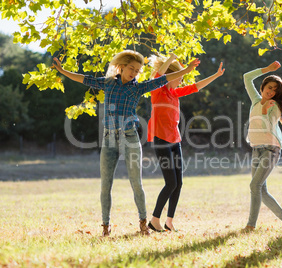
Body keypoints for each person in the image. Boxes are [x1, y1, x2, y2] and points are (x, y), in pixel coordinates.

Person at [52, 50, 200, 236]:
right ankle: (105, 225)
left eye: (137, 70)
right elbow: (83, 78)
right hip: (108, 139)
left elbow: (164, 78)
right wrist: (63, 71)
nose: (134, 73)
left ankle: (143, 223)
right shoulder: (108, 83)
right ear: (121, 67)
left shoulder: (137, 87)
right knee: (106, 185)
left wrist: (185, 70)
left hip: (130, 138)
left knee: (136, 183)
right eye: (131, 68)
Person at [146, 53, 225, 232]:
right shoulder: (158, 91)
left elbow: (196, 86)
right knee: (170, 183)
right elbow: (160, 76)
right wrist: (172, 59)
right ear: (172, 77)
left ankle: (169, 221)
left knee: (178, 183)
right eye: (179, 78)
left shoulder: (175, 93)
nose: (181, 81)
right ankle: (154, 219)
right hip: (161, 140)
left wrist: (216, 75)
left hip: (175, 141)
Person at [243, 61, 282, 231]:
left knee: (254, 186)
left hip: (271, 149)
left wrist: (265, 110)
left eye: (275, 90)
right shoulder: (256, 101)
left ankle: (251, 225)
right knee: (261, 190)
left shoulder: (275, 106)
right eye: (270, 87)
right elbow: (247, 77)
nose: (271, 92)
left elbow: (268, 125)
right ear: (263, 85)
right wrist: (267, 70)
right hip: (256, 148)